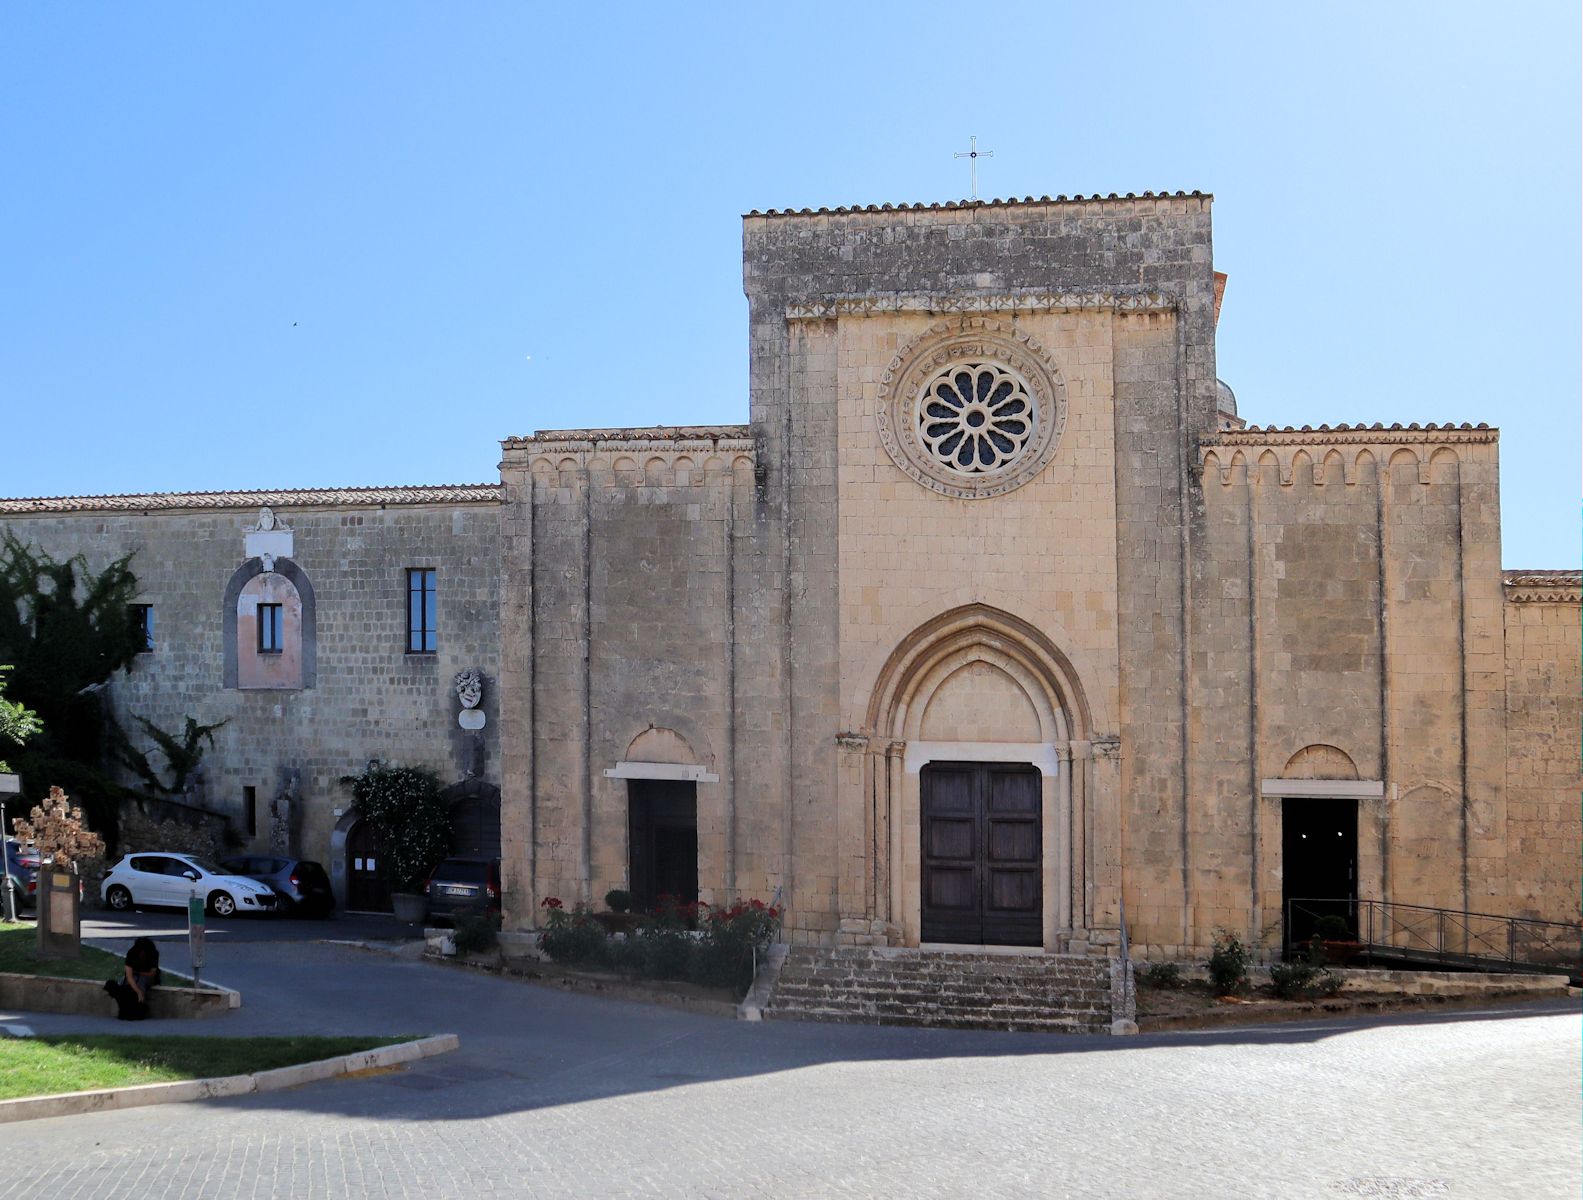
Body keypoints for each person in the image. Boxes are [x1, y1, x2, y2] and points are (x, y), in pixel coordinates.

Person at [103, 936, 161, 1020]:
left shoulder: (154, 954)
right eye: (141, 952)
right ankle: (130, 1003)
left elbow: (152, 974)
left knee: (141, 980)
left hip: (147, 976)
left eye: (144, 952)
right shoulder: (132, 953)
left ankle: (139, 1003)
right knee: (126, 983)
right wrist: (137, 991)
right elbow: (129, 976)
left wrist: (138, 974)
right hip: (133, 975)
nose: (142, 954)